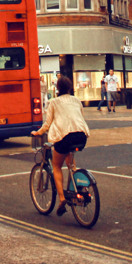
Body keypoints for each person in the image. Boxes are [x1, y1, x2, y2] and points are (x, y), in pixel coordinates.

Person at [34, 75, 90, 218]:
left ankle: (62, 199)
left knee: (57, 166)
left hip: (65, 136)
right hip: (81, 136)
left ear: (57, 88)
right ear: (70, 87)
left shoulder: (54, 102)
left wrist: (37, 132)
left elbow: (47, 124)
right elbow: (81, 117)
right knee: (70, 163)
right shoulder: (77, 100)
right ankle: (77, 187)